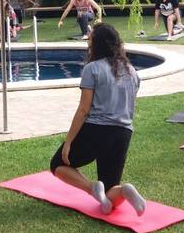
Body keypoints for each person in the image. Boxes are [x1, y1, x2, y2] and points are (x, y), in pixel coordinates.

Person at [50, 24, 146, 216]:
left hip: (97, 129)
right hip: (123, 133)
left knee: (57, 165)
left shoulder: (92, 69)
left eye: (91, 38)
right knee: (111, 191)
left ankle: (91, 188)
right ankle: (125, 190)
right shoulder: (131, 70)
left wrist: (68, 142)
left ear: (97, 44)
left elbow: (84, 109)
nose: (88, 41)